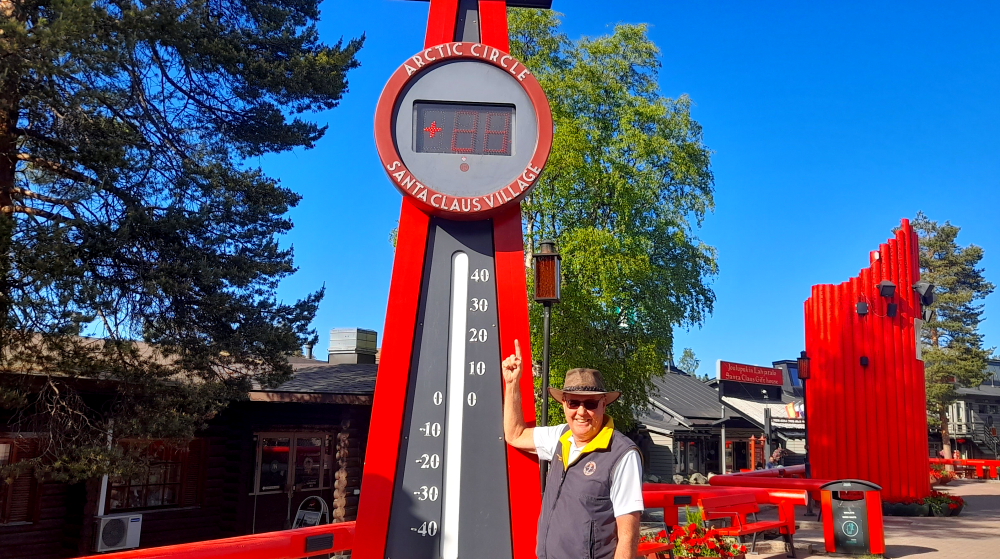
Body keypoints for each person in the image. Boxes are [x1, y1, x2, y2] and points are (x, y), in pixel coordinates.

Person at [502, 340, 643, 559]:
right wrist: (512, 383)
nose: (581, 412)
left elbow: (628, 535)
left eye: (591, 403)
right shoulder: (561, 436)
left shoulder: (622, 454)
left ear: (604, 404)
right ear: (564, 404)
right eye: (574, 403)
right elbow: (515, 434)